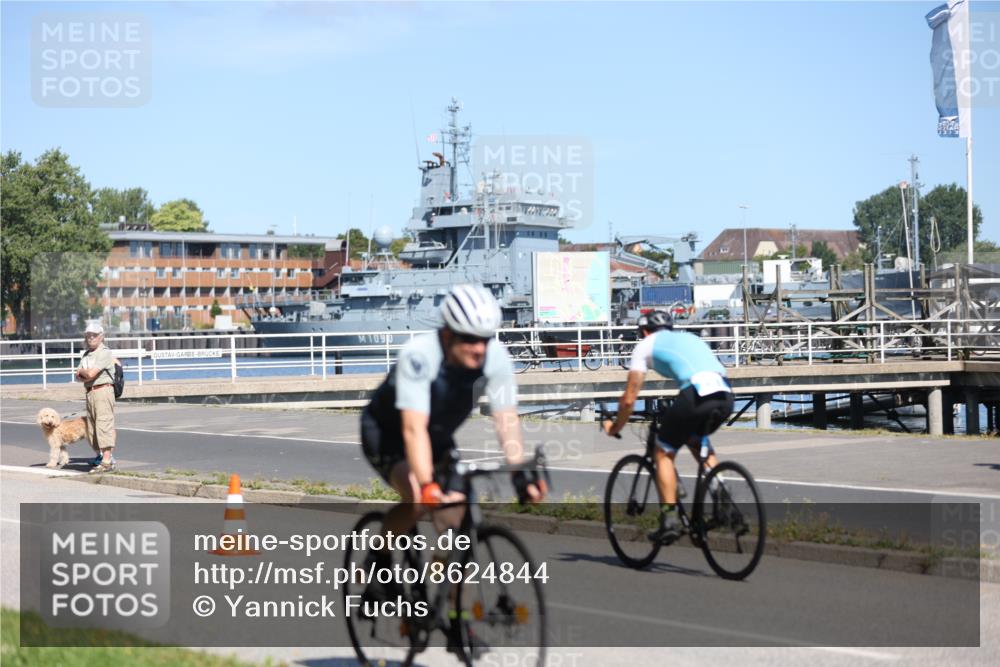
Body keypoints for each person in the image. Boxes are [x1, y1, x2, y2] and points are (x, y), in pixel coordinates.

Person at [362, 284, 546, 515]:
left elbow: (506, 419)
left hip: (436, 435)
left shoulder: (495, 356)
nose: (479, 348)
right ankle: (380, 551)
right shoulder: (419, 356)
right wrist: (427, 484)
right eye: (470, 339)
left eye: (485, 339)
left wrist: (518, 472)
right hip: (388, 434)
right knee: (418, 500)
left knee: (455, 512)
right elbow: (413, 428)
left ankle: (447, 552)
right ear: (448, 335)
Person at [604, 310, 733, 544]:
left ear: (643, 331)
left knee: (662, 453)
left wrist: (615, 427)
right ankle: (724, 503)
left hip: (695, 394)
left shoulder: (645, 345)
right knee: (697, 440)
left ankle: (670, 519)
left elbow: (630, 398)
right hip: (725, 393)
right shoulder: (690, 337)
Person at [76, 322, 118, 473]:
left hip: (103, 391)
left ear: (101, 336)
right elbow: (78, 376)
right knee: (92, 428)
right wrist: (85, 374)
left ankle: (107, 461)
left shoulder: (104, 352)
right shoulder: (86, 354)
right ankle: (101, 456)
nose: (91, 338)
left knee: (104, 424)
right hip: (90, 392)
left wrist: (84, 373)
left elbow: (90, 374)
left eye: (94, 335)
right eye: (88, 335)